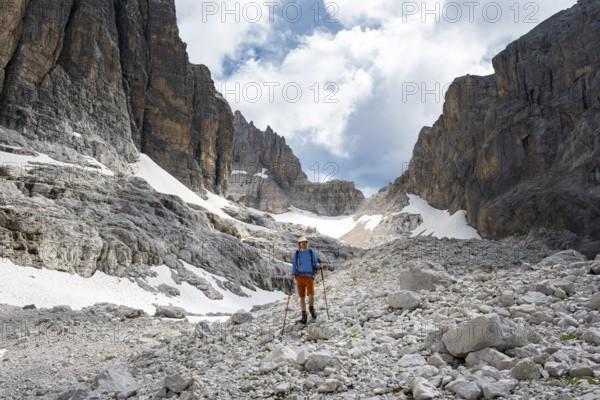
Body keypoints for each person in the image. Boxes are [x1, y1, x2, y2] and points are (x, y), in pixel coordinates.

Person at [291, 236, 320, 324]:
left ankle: (311, 309)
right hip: (299, 277)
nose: (303, 244)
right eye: (301, 242)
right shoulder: (296, 253)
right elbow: (294, 264)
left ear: (307, 243)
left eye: (305, 242)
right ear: (299, 244)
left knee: (311, 295)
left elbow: (315, 262)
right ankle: (304, 316)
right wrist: (292, 274)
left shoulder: (311, 252)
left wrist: (318, 266)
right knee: (302, 297)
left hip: (309, 276)